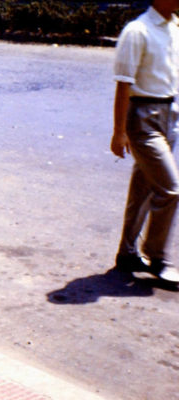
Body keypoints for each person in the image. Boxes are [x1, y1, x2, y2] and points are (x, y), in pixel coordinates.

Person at [110, 0, 179, 282]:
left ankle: (126, 253)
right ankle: (156, 257)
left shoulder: (174, 27)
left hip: (168, 113)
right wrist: (119, 131)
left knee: (145, 188)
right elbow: (123, 83)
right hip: (142, 116)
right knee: (170, 189)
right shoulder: (138, 30)